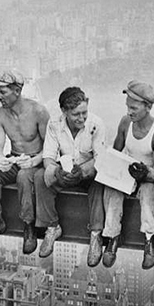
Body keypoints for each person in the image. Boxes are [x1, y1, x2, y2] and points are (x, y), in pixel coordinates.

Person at [0, 70, 50, 254]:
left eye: (3, 92)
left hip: (36, 161)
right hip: (15, 158)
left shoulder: (39, 112)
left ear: (17, 91)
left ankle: (29, 226)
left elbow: (51, 148)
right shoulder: (0, 115)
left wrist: (34, 161)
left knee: (24, 176)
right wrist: (0, 160)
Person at [101, 81, 154, 269]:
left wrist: (146, 172)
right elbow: (117, 150)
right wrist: (113, 169)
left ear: (148, 107)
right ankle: (113, 236)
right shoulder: (125, 122)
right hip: (127, 170)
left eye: (134, 108)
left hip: (145, 174)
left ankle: (150, 238)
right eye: (128, 107)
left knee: (147, 195)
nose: (129, 112)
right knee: (112, 190)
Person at [38, 87, 106, 263]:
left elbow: (101, 159)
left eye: (84, 112)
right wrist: (57, 172)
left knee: (100, 183)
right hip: (65, 170)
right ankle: (52, 227)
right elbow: (48, 157)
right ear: (64, 111)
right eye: (76, 114)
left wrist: (83, 172)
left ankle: (96, 234)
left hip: (88, 172)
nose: (81, 118)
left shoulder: (96, 124)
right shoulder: (54, 124)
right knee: (40, 178)